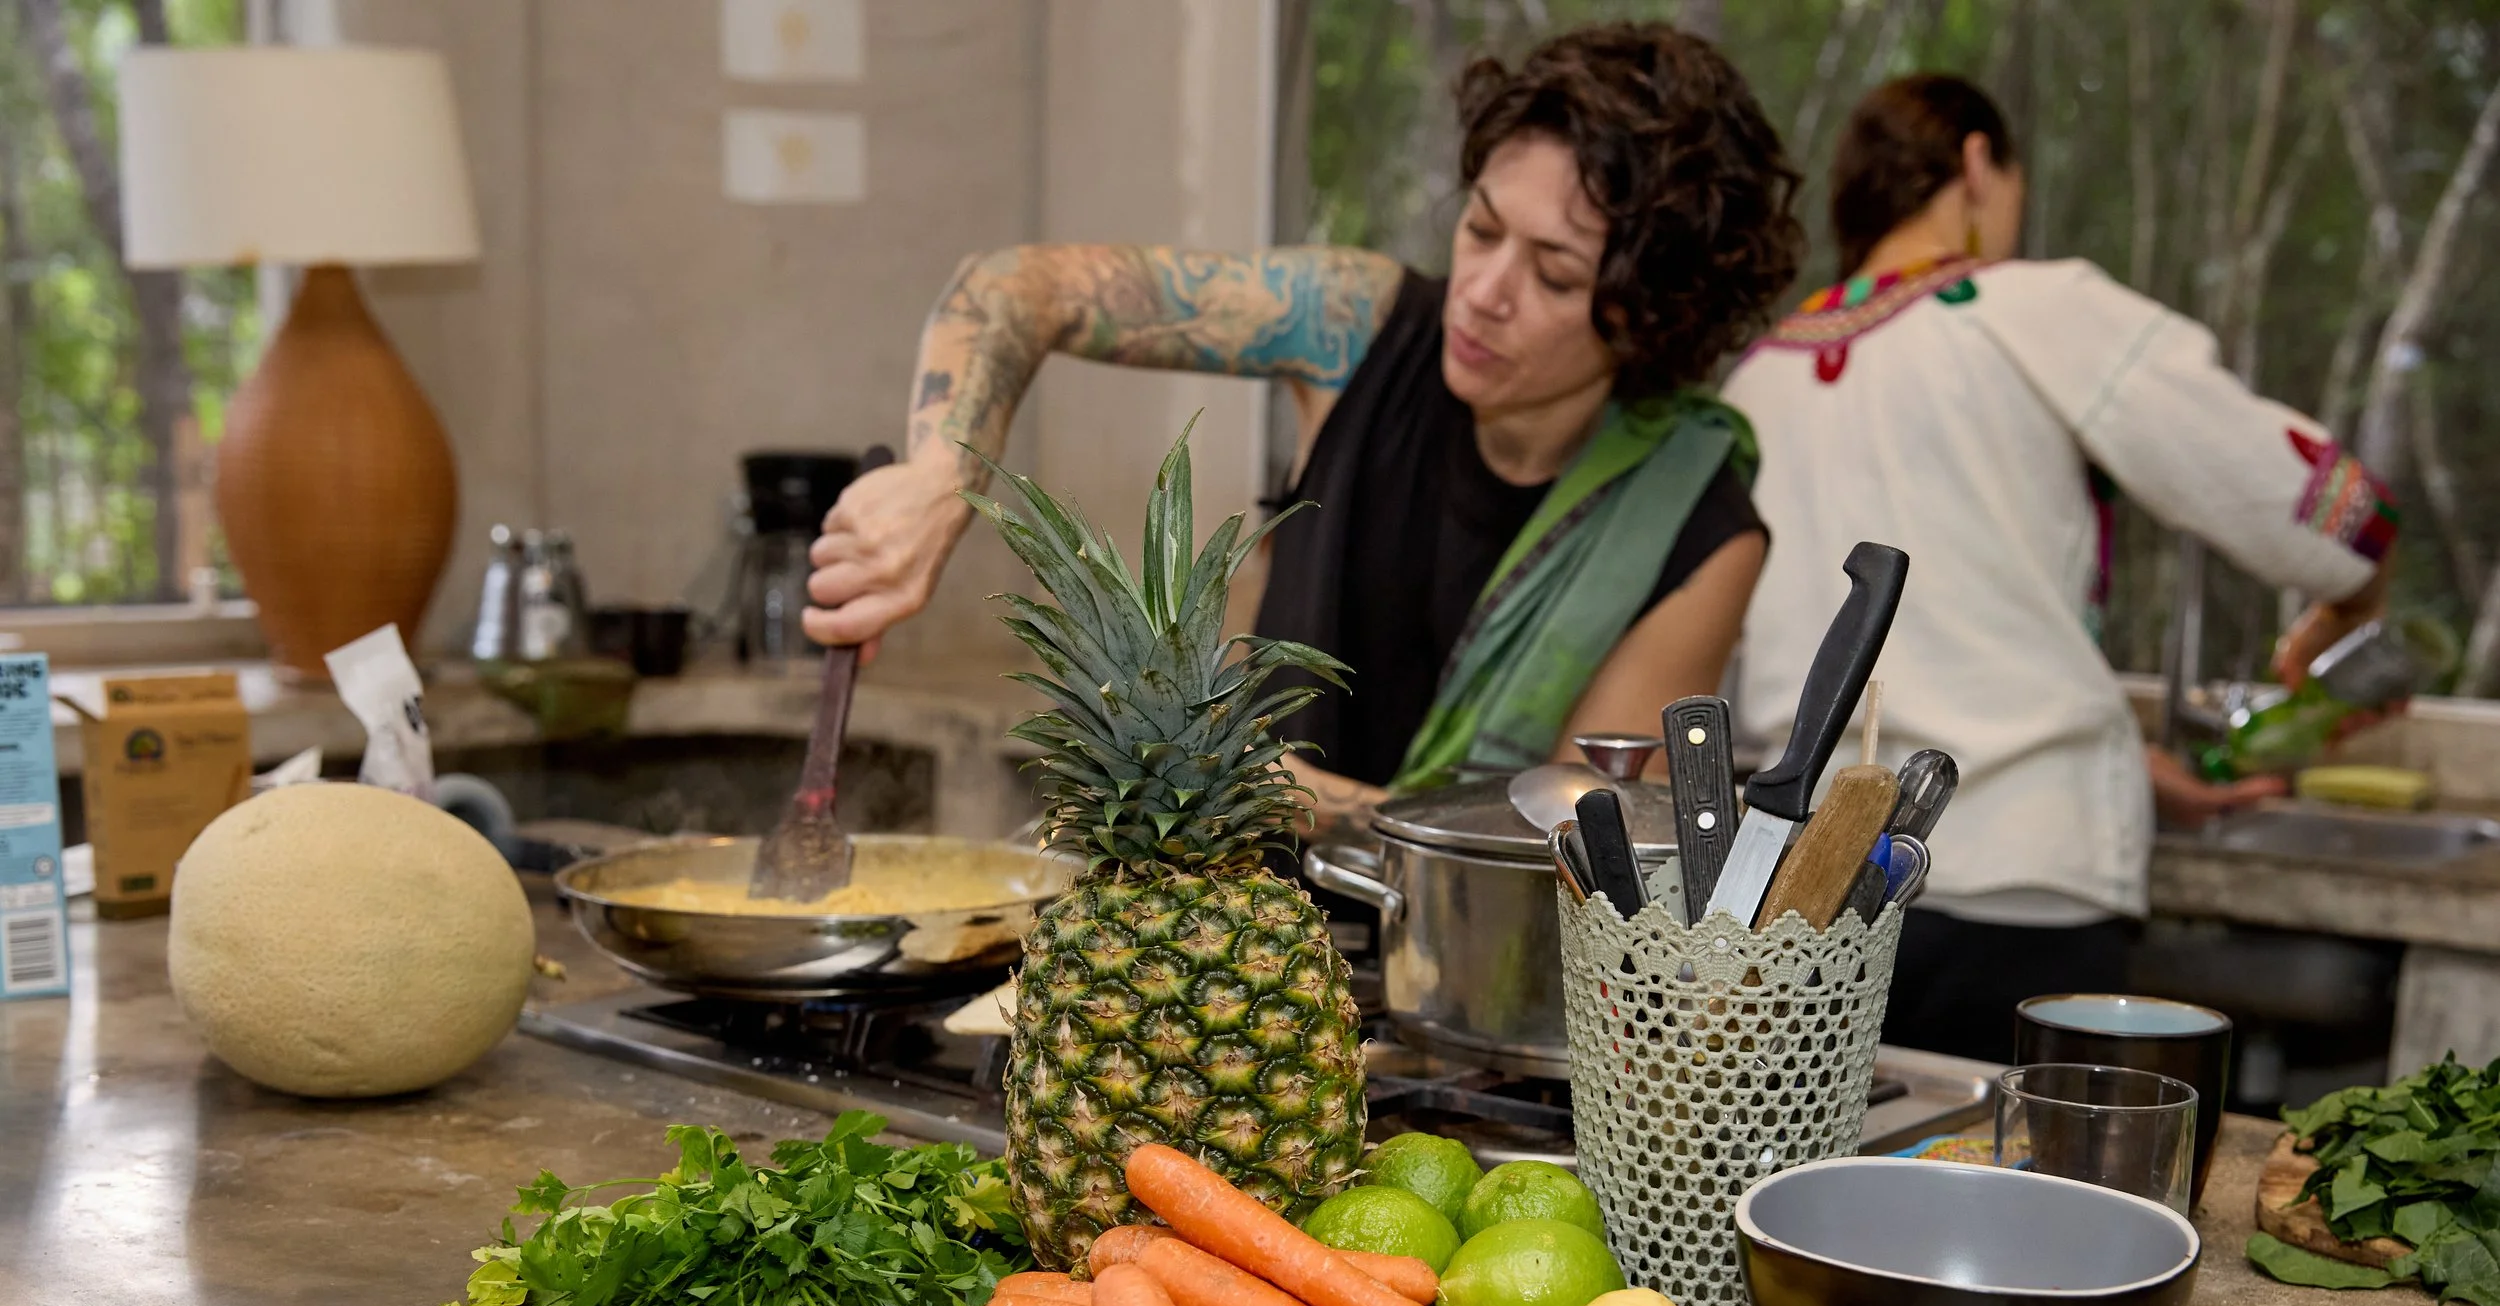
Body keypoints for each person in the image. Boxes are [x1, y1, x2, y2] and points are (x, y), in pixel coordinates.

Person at [804, 25, 1805, 829]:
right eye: (1481, 228)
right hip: (1226, 941)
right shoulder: (1355, 324)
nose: (1483, 293)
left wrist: (1304, 803)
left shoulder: (1697, 530)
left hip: (1446, 999)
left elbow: (1583, 857)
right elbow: (1016, 291)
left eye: (1552, 274)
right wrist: (942, 469)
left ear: (1650, 315)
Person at [1721, 74, 2392, 1063]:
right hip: (2019, 891)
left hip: (1805, 893)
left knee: (1818, 1198)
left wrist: (2131, 762)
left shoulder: (1760, 374)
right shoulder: (2027, 309)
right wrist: (2359, 585)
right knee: (1999, 1198)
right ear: (1978, 165)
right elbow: (2297, 497)